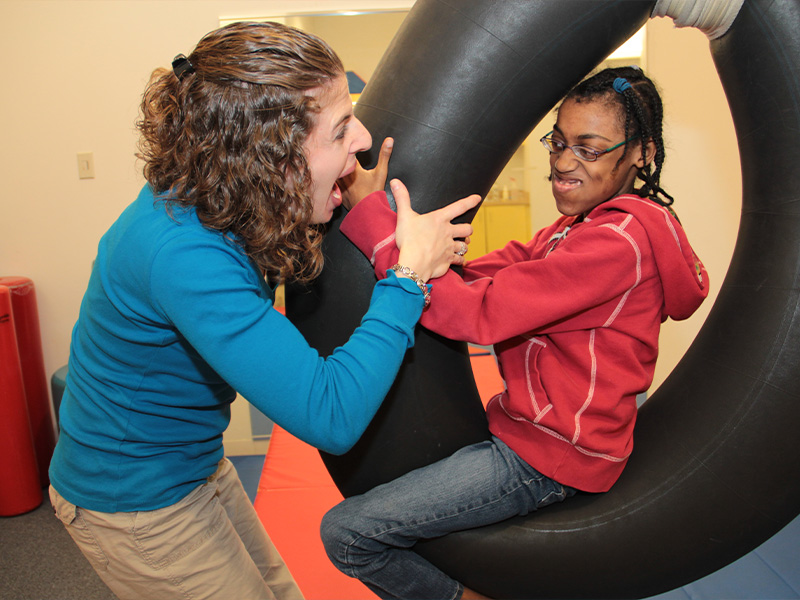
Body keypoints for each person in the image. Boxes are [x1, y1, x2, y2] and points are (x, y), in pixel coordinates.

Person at [47, 21, 480, 600]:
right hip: (134, 499)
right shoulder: (184, 252)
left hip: (195, 466)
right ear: (271, 160)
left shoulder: (230, 196)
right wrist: (408, 277)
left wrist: (350, 195)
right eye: (340, 130)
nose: (362, 138)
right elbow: (329, 414)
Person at [321, 66, 709, 600]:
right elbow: (486, 273)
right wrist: (420, 240)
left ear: (640, 151)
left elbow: (474, 315)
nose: (564, 163)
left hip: (550, 456)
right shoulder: (575, 229)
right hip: (524, 431)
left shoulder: (616, 244)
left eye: (589, 149)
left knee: (347, 534)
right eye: (559, 142)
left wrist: (373, 219)